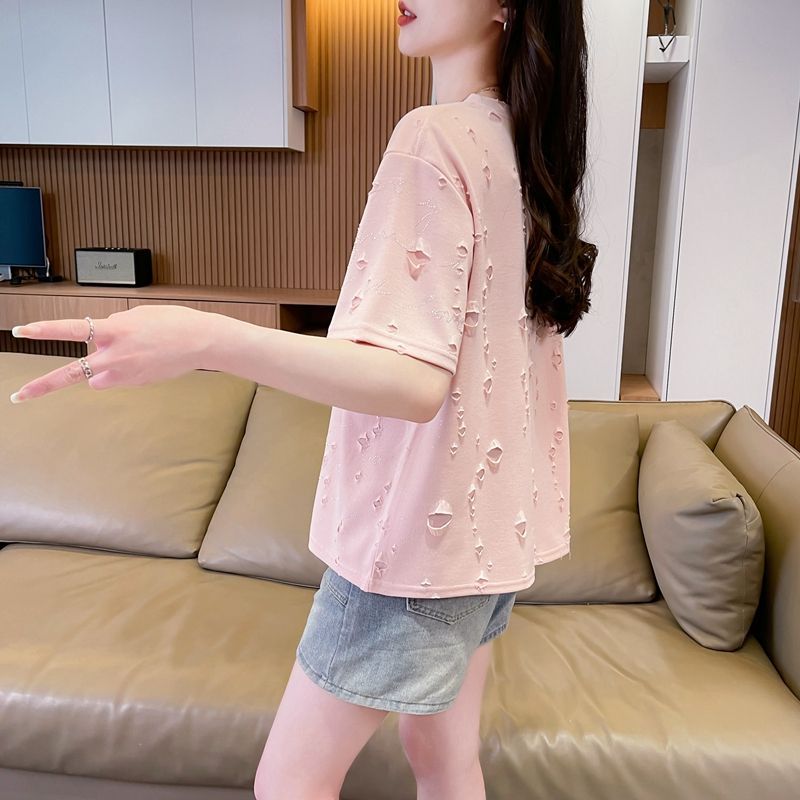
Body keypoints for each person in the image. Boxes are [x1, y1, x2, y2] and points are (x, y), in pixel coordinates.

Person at [8, 1, 598, 797]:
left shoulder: (435, 138)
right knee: (444, 758)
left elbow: (413, 383)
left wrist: (205, 338)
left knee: (289, 783)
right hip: (487, 540)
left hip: (412, 545)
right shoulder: (520, 152)